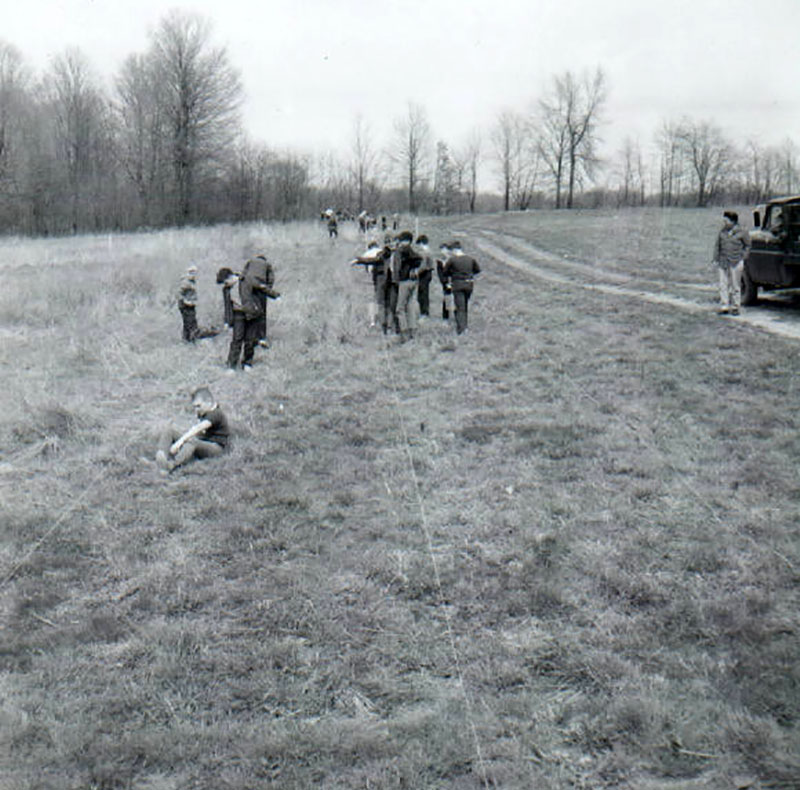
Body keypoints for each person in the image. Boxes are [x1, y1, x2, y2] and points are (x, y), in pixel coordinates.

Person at [155, 387, 230, 474]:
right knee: (170, 431)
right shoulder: (204, 411)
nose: (196, 410)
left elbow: (198, 428)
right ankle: (161, 455)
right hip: (203, 443)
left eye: (199, 406)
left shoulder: (216, 414)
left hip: (215, 449)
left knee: (192, 441)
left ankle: (172, 465)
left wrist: (179, 443)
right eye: (195, 407)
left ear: (209, 402)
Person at [713, 210, 750, 316]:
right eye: (724, 220)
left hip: (736, 261)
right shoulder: (722, 231)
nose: (724, 222)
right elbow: (717, 245)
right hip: (723, 261)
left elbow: (747, 246)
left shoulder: (742, 231)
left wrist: (742, 257)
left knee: (735, 285)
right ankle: (724, 306)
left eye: (726, 220)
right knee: (723, 284)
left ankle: (735, 307)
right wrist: (716, 259)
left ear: (733, 221)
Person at [442, 240, 481, 334]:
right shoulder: (470, 259)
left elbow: (445, 272)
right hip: (469, 284)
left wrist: (453, 274)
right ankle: (465, 325)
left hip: (457, 284)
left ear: (454, 250)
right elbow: (477, 270)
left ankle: (462, 329)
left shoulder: (452, 260)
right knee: (465, 305)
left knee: (460, 307)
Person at [391, 230, 423, 342]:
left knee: (399, 309)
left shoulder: (399, 252)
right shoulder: (413, 251)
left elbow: (397, 267)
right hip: (414, 281)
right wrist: (414, 269)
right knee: (410, 306)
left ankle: (404, 334)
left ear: (405, 241)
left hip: (403, 282)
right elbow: (420, 259)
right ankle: (413, 332)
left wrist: (395, 280)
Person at [177, 265, 200, 341]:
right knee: (191, 324)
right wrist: (183, 303)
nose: (194, 275)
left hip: (191, 305)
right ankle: (191, 340)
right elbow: (179, 294)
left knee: (188, 324)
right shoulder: (185, 282)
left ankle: (187, 339)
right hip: (186, 306)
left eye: (195, 273)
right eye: (192, 273)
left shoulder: (192, 281)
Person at [415, 234, 434, 318]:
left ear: (421, 243)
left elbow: (423, 265)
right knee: (423, 293)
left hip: (424, 274)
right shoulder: (429, 251)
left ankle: (424, 312)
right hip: (428, 273)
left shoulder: (424, 252)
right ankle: (424, 312)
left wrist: (416, 272)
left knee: (422, 294)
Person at [436, 242, 453, 321]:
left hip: (454, 282)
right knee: (446, 299)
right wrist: (445, 283)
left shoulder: (453, 260)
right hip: (445, 283)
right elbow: (440, 274)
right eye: (441, 250)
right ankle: (445, 317)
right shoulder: (440, 261)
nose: (442, 252)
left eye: (444, 250)